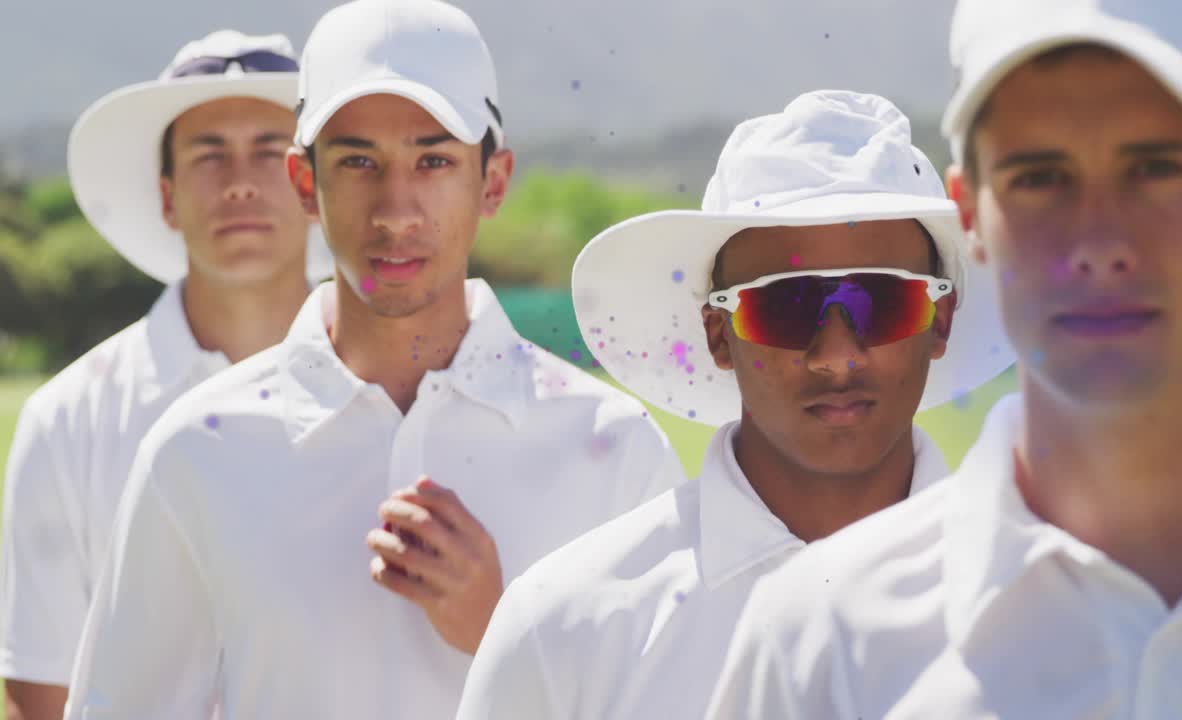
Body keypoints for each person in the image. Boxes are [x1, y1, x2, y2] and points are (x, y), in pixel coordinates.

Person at [63, 2, 684, 717]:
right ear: (305, 184)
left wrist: (505, 630)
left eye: (434, 161)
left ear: (493, 181)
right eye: (358, 161)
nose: (395, 210)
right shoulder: (194, 450)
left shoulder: (617, 450)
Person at [705, 1, 1182, 717]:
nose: (1099, 244)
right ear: (971, 214)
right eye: (1038, 177)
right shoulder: (823, 645)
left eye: (1157, 168)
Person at [456, 90, 1012, 720]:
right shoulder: (566, 631)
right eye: (786, 306)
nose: (837, 355)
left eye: (882, 302)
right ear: (718, 334)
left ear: (941, 320)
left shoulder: (1045, 609)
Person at [0, 30, 329, 720]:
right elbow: (43, 691)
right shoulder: (67, 420)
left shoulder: (395, 392)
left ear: (314, 187)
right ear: (168, 196)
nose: (240, 180)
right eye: (209, 154)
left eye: (270, 150)